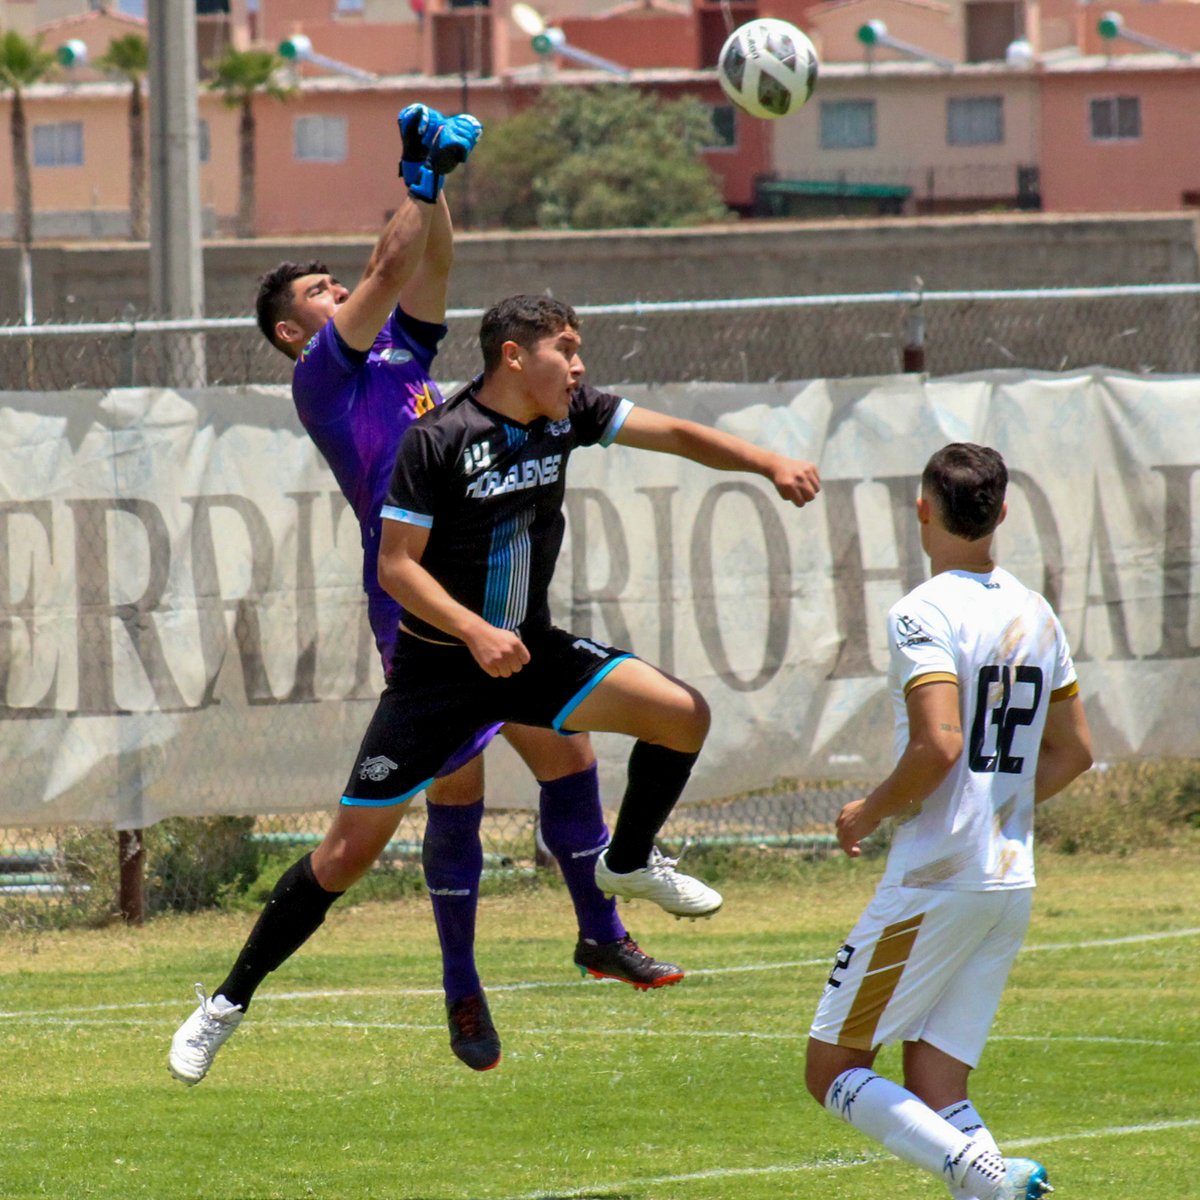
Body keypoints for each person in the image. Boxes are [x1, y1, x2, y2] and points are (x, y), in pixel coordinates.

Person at [169, 288, 821, 1088]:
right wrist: (473, 631)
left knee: (683, 716)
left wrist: (767, 462)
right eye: (567, 349)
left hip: (529, 657)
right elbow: (396, 567)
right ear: (515, 355)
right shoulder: (437, 439)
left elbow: (678, 435)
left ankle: (627, 862)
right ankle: (225, 1006)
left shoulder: (568, 413)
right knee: (341, 858)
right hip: (439, 679)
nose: (579, 366)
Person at [169, 106, 679, 1084]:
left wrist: (434, 186)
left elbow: (429, 262)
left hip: (484, 603)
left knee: (566, 750)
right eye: (319, 289)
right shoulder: (324, 375)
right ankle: (233, 999)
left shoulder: (406, 357)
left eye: (336, 280)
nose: (339, 289)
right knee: (355, 849)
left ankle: (594, 933)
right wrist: (412, 175)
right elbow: (394, 265)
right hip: (421, 620)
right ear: (292, 329)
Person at [803, 443, 1093, 1200]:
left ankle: (989, 1180)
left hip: (936, 880)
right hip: (1007, 881)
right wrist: (999, 808)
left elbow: (939, 743)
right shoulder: (1035, 610)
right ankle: (990, 1187)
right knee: (935, 1076)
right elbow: (1076, 752)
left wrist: (869, 809)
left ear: (923, 509)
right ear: (1000, 514)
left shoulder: (921, 612)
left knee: (833, 1068)